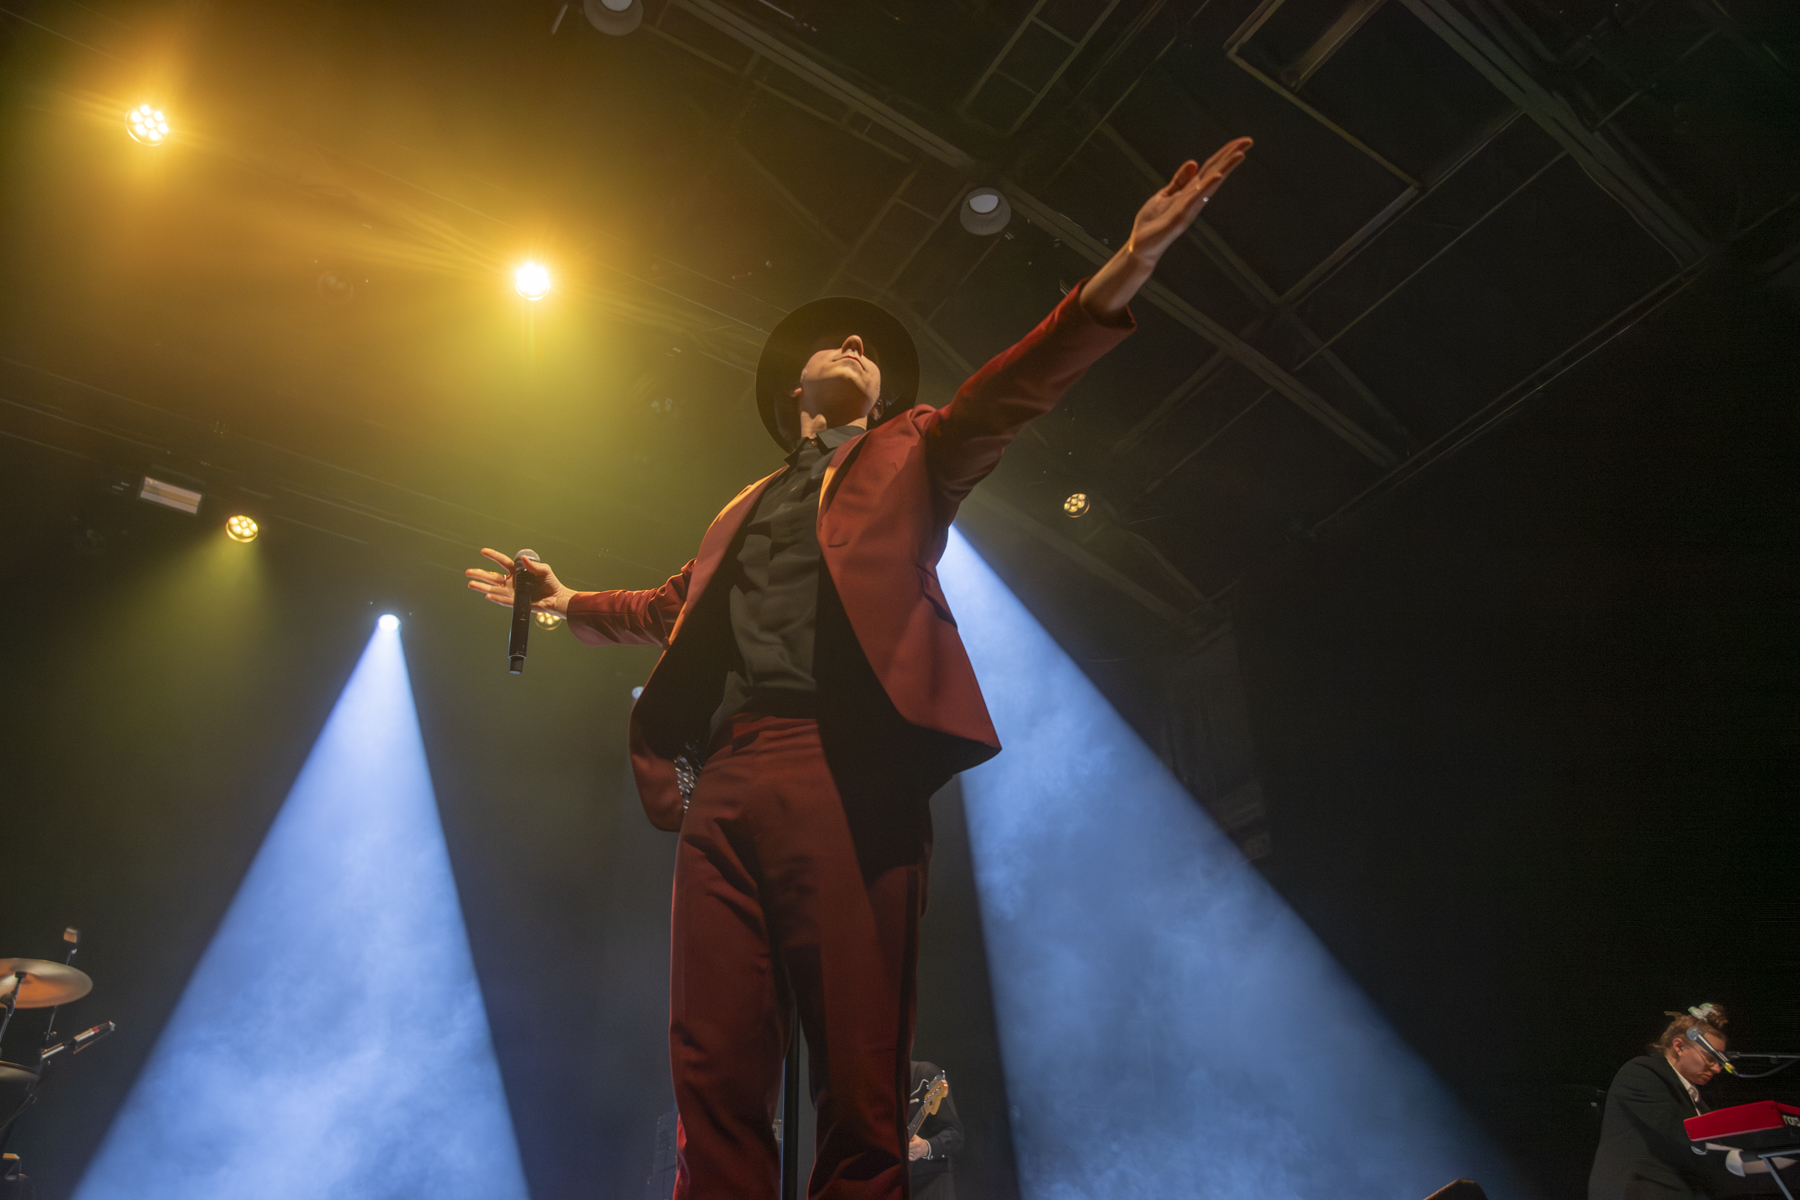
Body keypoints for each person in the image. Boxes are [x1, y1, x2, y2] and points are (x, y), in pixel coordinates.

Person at [466, 136, 1253, 1200]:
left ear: (878, 395)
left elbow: (1012, 390)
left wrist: (1129, 264)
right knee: (711, 1063)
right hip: (726, 783)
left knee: (859, 1065)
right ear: (794, 389)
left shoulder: (915, 452)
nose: (850, 343)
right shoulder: (740, 508)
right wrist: (565, 602)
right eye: (832, 342)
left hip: (845, 768)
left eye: (867, 348)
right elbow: (666, 609)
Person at [1589, 1004, 1795, 1199]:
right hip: (1640, 1191)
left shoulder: (1693, 1098)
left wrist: (1785, 1155)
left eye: (1720, 1061)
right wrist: (1756, 1147)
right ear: (1678, 1046)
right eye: (1711, 1058)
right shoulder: (1642, 1072)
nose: (1717, 1069)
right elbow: (1685, 1136)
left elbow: (1718, 1156)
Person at [907, 1061, 963, 1200]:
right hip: (899, 1184)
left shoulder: (924, 1074)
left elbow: (956, 1134)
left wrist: (926, 1147)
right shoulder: (876, 1084)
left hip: (932, 1184)